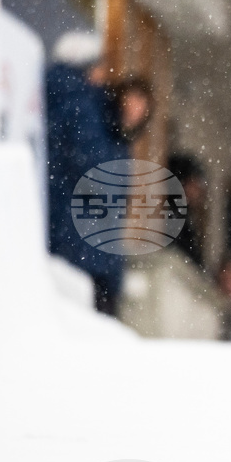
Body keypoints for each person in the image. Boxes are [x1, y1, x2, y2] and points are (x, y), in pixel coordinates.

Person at [45, 32, 152, 316]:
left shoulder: (90, 112)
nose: (104, 75)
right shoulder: (83, 107)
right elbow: (95, 172)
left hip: (84, 251)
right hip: (79, 252)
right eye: (101, 66)